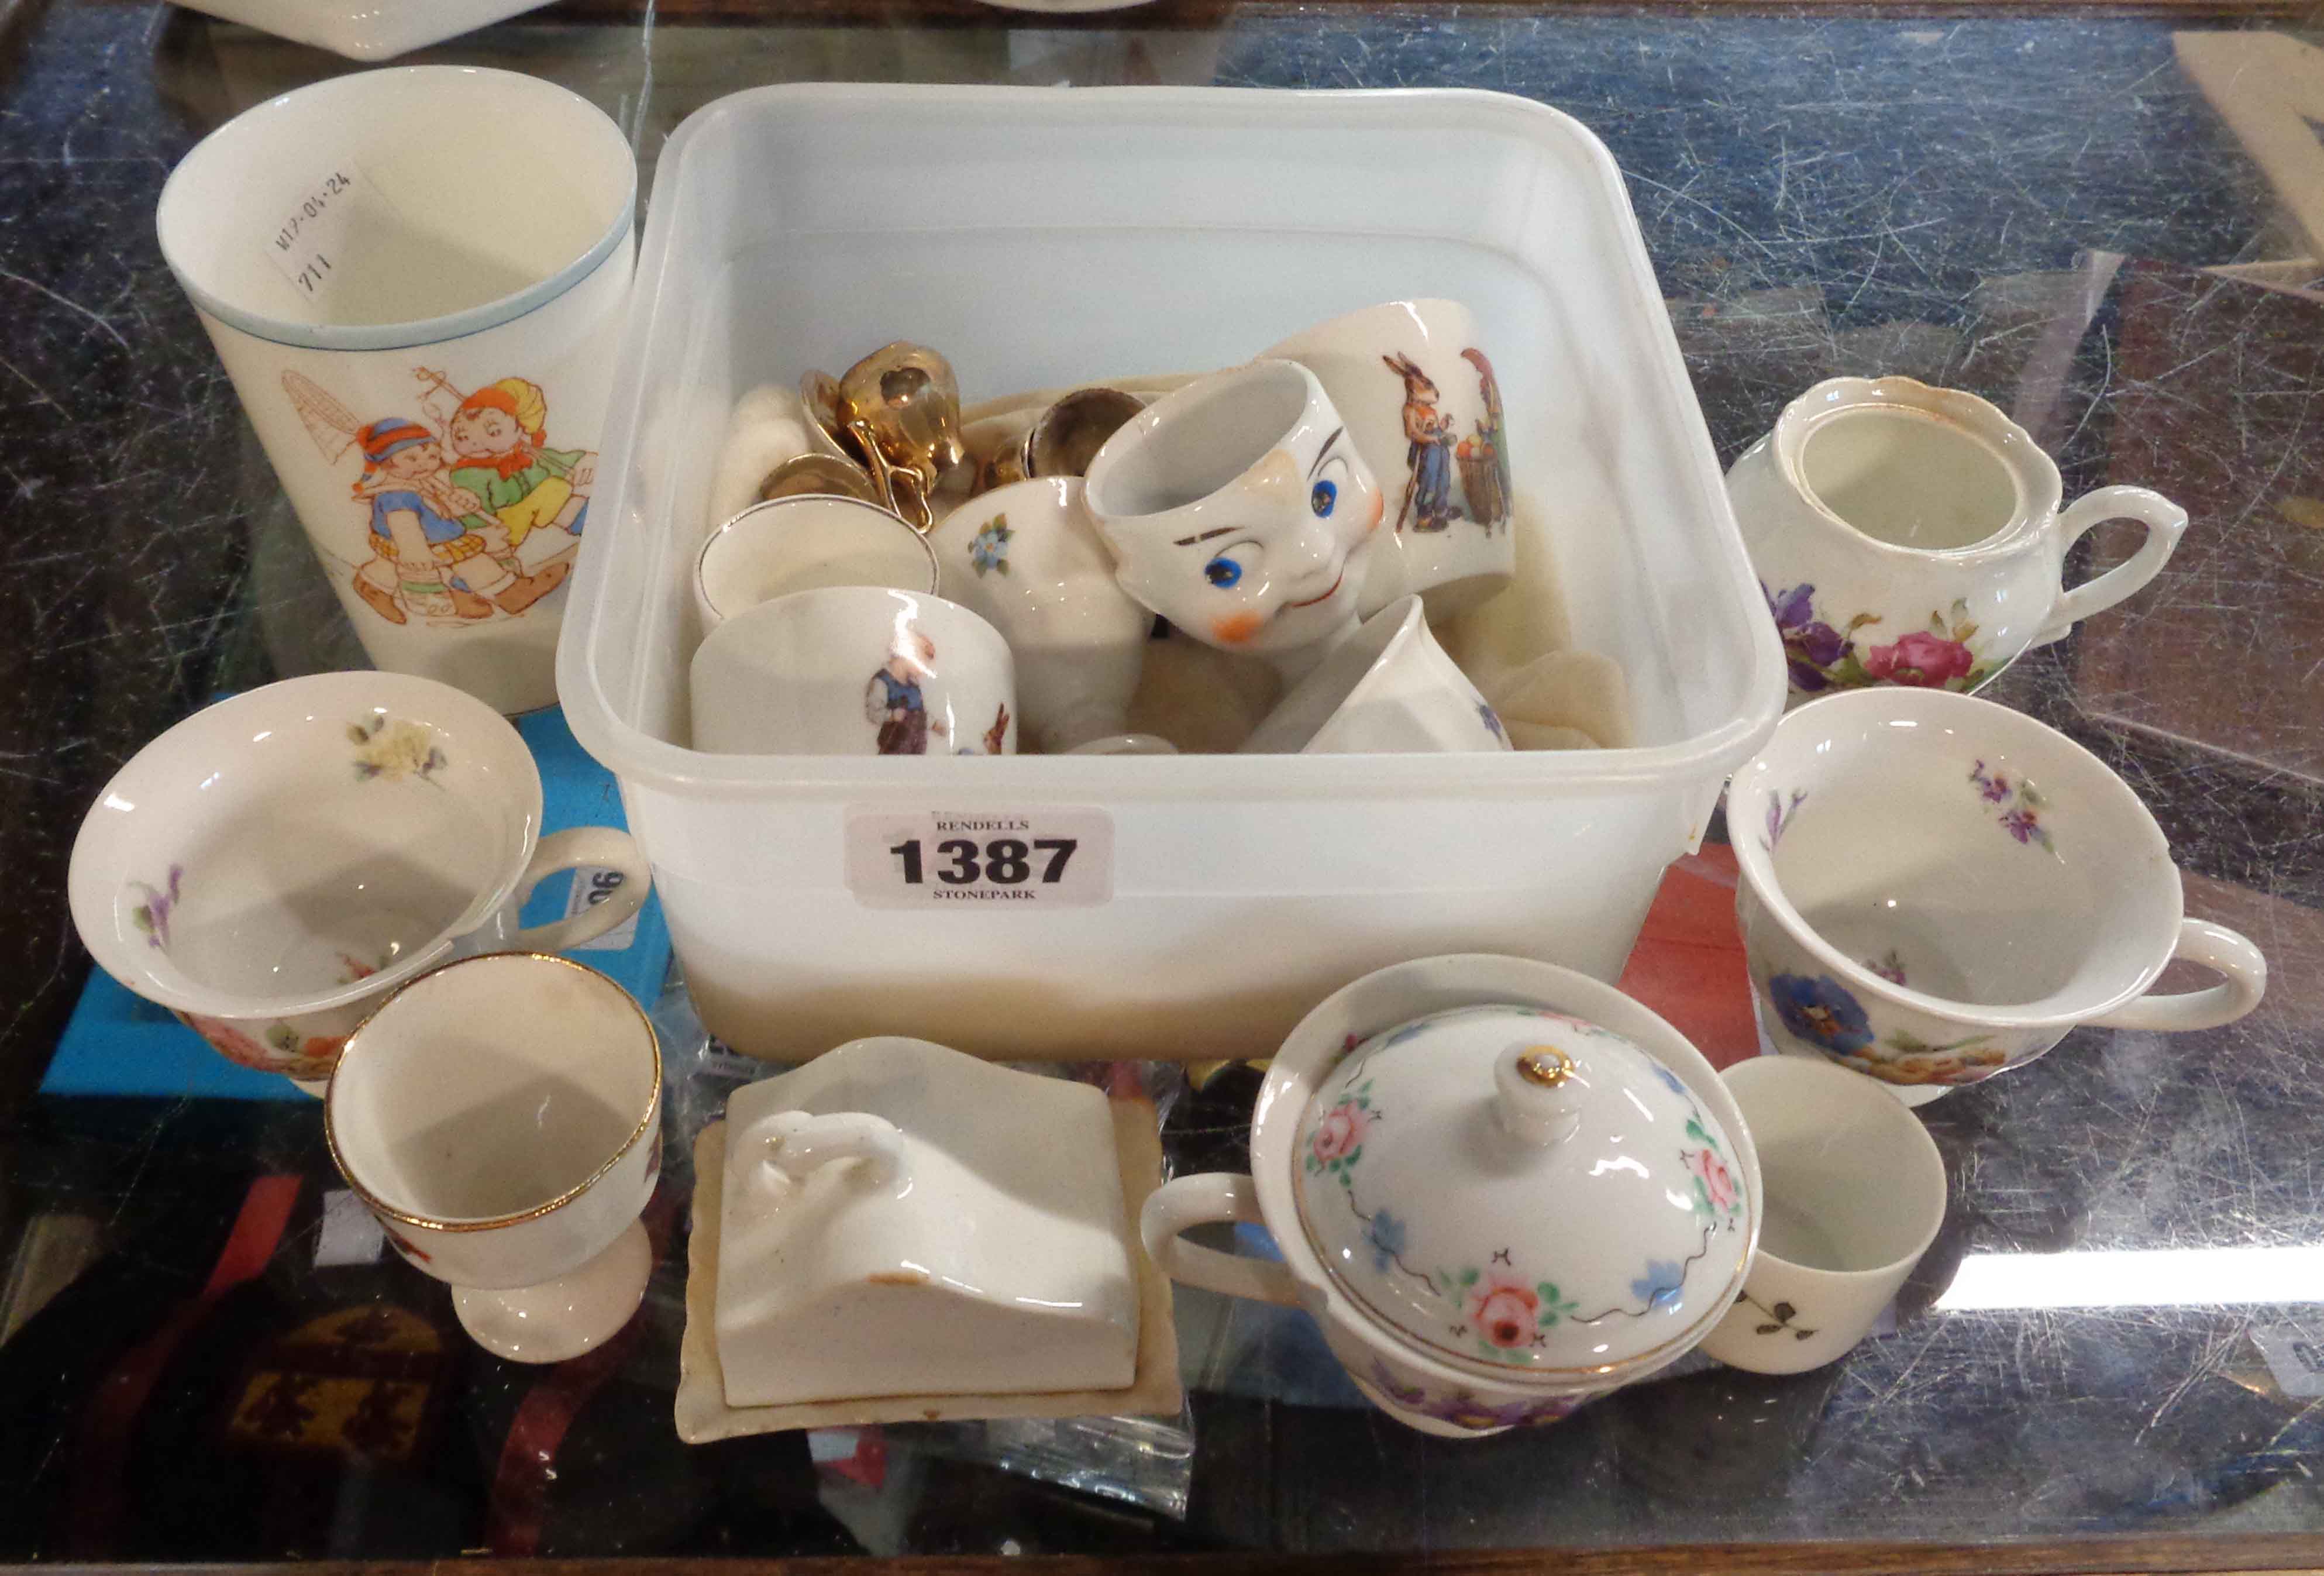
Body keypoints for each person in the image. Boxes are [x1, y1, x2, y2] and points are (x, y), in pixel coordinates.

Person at [348, 418, 568, 624]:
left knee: (388, 567)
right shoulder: (396, 495)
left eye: (432, 456)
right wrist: (414, 551)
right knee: (473, 561)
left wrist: (466, 501)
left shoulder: (423, 482)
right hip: (416, 545)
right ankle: (511, 594)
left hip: (441, 538)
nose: (424, 464)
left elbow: (443, 507)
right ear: (387, 463)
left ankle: (376, 586)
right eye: (412, 459)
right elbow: (404, 525)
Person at [422, 373, 593, 555]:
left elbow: (558, 460)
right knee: (553, 489)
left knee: (554, 490)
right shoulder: (468, 473)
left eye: (493, 432)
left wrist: (584, 461)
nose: (476, 442)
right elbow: (471, 511)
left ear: (520, 429)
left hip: (527, 517)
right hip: (501, 525)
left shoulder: (524, 455)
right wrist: (478, 533)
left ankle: (591, 523)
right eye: (463, 436)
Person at [1385, 353, 1458, 532]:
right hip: (1426, 453)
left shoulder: (1429, 409)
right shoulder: (1410, 410)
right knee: (1429, 483)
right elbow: (1411, 433)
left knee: (1444, 480)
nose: (1434, 393)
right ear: (1415, 389)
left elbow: (1437, 428)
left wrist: (1444, 424)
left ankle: (1441, 511)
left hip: (1440, 450)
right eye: (1428, 387)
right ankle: (1424, 517)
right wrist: (1430, 436)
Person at [864, 628, 948, 755]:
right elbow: (873, 713)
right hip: (893, 747)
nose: (924, 670)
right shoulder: (882, 682)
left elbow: (921, 713)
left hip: (916, 747)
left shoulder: (914, 685)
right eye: (922, 663)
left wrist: (934, 724)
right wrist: (891, 716)